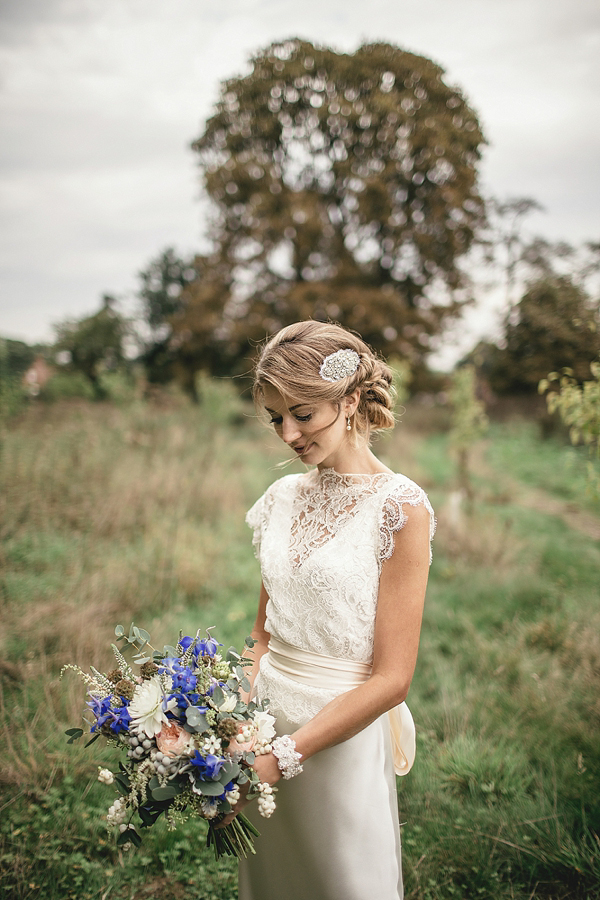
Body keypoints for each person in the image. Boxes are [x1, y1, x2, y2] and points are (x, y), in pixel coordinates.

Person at [224, 321, 434, 900]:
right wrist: (237, 721)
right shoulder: (280, 499)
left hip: (338, 734)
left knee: (343, 882)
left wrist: (285, 757)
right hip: (265, 720)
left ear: (347, 402)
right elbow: (260, 634)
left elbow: (393, 679)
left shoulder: (400, 508)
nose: (288, 433)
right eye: (275, 418)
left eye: (302, 413)